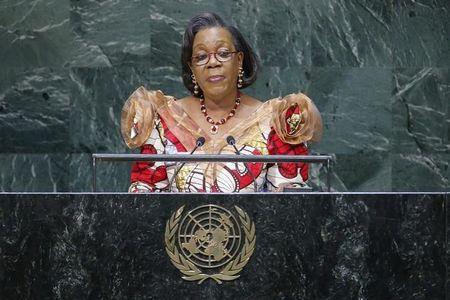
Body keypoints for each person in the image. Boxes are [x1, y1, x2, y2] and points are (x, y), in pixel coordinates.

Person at [121, 12, 322, 193]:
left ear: (240, 60)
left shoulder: (274, 123)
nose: (213, 62)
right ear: (192, 68)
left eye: (224, 53)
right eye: (201, 57)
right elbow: (143, 198)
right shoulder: (165, 120)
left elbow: (291, 205)